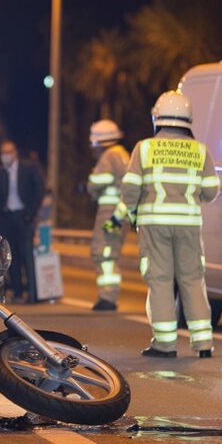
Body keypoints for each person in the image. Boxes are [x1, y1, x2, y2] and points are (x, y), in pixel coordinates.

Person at [107, 91, 219, 358]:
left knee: (160, 280)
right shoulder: (200, 150)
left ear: (157, 118)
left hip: (154, 225)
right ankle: (203, 343)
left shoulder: (145, 148)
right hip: (189, 226)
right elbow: (211, 191)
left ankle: (165, 344)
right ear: (188, 120)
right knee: (192, 279)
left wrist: (126, 212)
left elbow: (131, 190)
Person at [0, 140, 44, 302]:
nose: (6, 156)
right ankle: (18, 292)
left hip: (24, 217)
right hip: (6, 218)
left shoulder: (29, 168)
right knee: (11, 257)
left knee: (27, 255)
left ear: (15, 153)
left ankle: (33, 295)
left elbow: (39, 190)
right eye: (3, 152)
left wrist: (32, 214)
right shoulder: (0, 173)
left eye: (9, 152)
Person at [85, 120, 129, 311]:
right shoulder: (123, 154)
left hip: (110, 213)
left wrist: (90, 181)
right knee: (108, 251)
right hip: (119, 214)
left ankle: (108, 297)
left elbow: (98, 181)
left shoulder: (109, 156)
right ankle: (108, 295)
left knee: (103, 251)